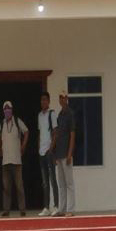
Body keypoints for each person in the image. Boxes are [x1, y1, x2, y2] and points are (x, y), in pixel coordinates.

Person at [0, 100, 29, 217]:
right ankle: (6, 210)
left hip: (16, 160)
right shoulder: (1, 124)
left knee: (19, 186)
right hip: (5, 161)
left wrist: (23, 145)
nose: (7, 111)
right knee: (6, 188)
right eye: (5, 109)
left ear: (12, 109)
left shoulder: (17, 121)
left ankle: (22, 209)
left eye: (8, 108)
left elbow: (26, 132)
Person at [50, 89, 76, 217]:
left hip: (66, 153)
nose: (62, 99)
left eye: (63, 97)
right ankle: (62, 208)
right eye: (60, 97)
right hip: (59, 153)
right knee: (61, 183)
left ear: (67, 99)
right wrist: (54, 153)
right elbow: (57, 134)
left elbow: (72, 134)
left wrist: (70, 153)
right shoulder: (60, 115)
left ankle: (70, 209)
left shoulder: (70, 114)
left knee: (69, 183)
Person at [36, 91, 59, 216]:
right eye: (41, 100)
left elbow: (55, 132)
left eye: (45, 99)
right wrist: (39, 147)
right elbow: (40, 132)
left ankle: (56, 206)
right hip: (41, 152)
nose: (43, 102)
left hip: (49, 152)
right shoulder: (39, 115)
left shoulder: (52, 114)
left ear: (49, 101)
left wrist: (51, 149)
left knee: (53, 180)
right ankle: (46, 207)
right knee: (44, 182)